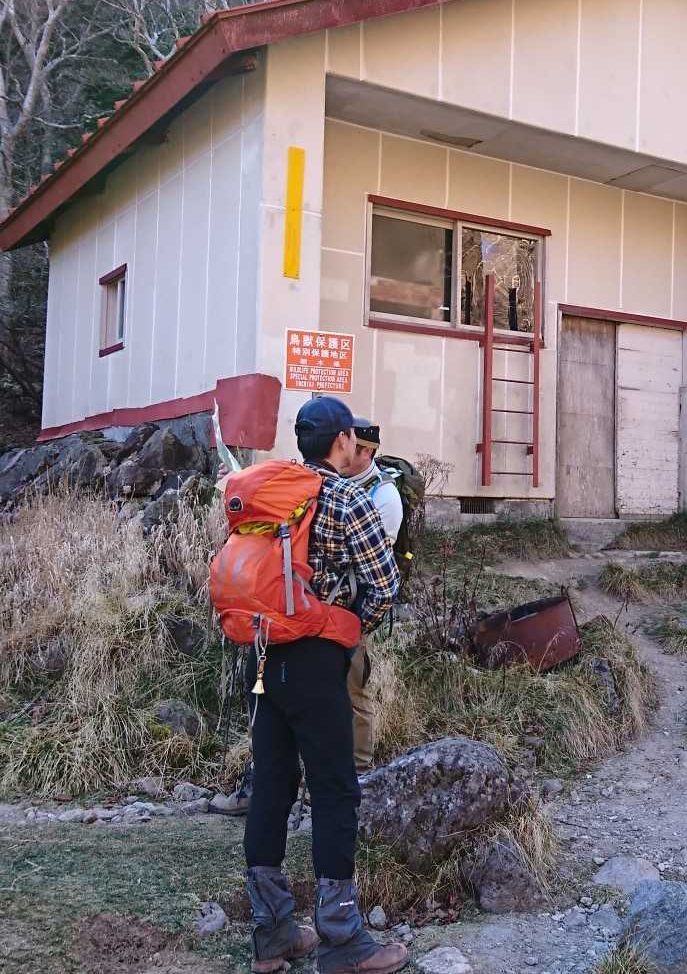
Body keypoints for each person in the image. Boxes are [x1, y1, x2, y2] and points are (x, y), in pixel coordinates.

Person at [241, 397, 409, 974]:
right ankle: (342, 942)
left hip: (264, 655)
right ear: (343, 441)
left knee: (271, 787)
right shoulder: (345, 499)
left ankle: (273, 936)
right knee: (335, 790)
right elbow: (384, 586)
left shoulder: (272, 493)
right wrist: (349, 626)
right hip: (316, 660)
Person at [341, 420, 403, 776]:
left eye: (350, 448)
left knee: (354, 691)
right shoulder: (342, 482)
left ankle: (360, 770)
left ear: (366, 452)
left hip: (358, 607)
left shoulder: (385, 496)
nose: (343, 454)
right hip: (331, 606)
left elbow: (375, 565)